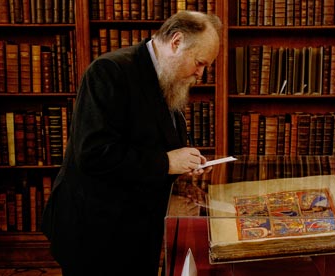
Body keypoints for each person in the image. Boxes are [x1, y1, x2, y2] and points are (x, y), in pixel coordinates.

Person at [41, 10, 222, 276]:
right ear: (176, 42)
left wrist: (184, 163)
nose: (200, 74)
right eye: (199, 62)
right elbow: (93, 154)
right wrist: (167, 162)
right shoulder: (110, 71)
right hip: (96, 232)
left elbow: (149, 140)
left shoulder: (164, 77)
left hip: (136, 226)